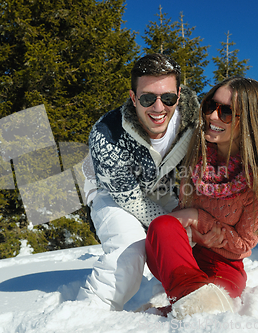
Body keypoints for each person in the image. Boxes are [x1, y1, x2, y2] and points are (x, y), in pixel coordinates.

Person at [144, 77, 258, 318]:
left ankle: (187, 302)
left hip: (223, 266)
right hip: (179, 254)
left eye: (227, 112)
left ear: (251, 123)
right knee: (162, 225)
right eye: (211, 105)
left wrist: (199, 219)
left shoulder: (256, 181)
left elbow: (244, 243)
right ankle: (191, 298)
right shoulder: (196, 156)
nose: (212, 116)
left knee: (213, 297)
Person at [76, 53, 199, 310]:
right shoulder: (107, 134)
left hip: (161, 186)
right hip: (112, 192)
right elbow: (129, 199)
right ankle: (89, 313)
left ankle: (192, 294)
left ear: (179, 95)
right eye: (146, 98)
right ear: (133, 98)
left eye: (167, 98)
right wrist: (171, 223)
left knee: (194, 241)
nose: (158, 108)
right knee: (130, 252)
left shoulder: (194, 119)